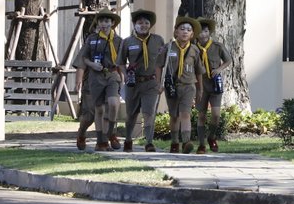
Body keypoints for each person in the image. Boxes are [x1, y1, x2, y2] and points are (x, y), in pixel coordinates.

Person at [154, 16, 203, 153]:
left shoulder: (194, 50)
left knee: (185, 114)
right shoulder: (168, 47)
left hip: (188, 86)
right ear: (176, 32)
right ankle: (175, 142)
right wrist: (158, 83)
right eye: (182, 29)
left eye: (188, 30)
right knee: (174, 116)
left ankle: (186, 142)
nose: (185, 32)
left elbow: (199, 71)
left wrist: (200, 89)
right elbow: (158, 65)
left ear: (192, 34)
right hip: (172, 86)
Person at [76, 10, 124, 151]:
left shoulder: (118, 41)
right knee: (91, 114)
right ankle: (86, 135)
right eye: (101, 21)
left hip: (111, 76)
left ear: (112, 23)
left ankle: (109, 134)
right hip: (94, 79)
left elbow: (122, 62)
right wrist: (79, 79)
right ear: (97, 23)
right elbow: (82, 60)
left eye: (107, 21)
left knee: (112, 105)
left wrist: (124, 77)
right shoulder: (92, 39)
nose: (104, 24)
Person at [120, 9, 165, 152]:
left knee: (148, 113)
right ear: (134, 24)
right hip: (133, 83)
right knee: (131, 114)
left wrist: (159, 82)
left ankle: (149, 142)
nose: (144, 25)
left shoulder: (158, 40)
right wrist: (125, 76)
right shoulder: (127, 42)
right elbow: (120, 62)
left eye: (146, 22)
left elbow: (160, 63)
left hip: (150, 82)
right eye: (140, 23)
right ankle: (128, 139)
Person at [195, 16, 232, 153]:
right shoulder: (193, 48)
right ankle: (201, 144)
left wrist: (219, 69)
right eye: (200, 31)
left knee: (216, 114)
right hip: (200, 84)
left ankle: (212, 137)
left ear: (209, 32)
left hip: (214, 83)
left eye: (205, 31)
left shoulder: (217, 46)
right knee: (201, 115)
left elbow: (228, 60)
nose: (203, 34)